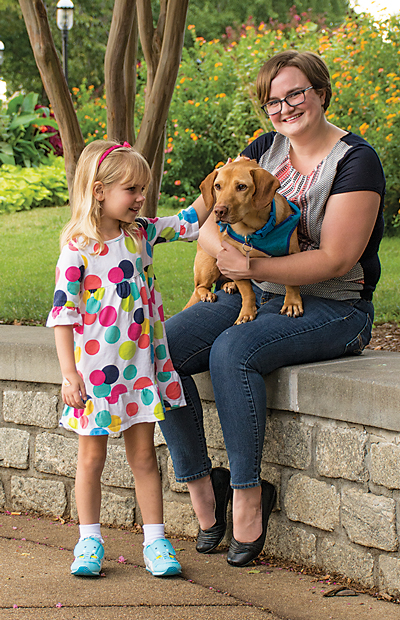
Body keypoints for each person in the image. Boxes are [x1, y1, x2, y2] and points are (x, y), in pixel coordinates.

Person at [159, 50, 385, 567]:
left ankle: (247, 497)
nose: (284, 108)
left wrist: (250, 267)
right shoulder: (264, 150)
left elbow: (336, 258)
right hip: (253, 290)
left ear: (321, 93)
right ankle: (203, 491)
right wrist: (143, 226)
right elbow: (207, 217)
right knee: (158, 349)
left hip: (337, 308)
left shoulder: (355, 161)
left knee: (233, 349)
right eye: (273, 100)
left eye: (295, 94)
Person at [47, 140, 210, 577]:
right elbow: (62, 316)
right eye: (133, 190)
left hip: (141, 372)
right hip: (96, 377)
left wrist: (216, 184)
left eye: (144, 189)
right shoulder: (78, 249)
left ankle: (156, 543)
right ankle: (89, 542)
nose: (141, 198)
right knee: (90, 460)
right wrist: (69, 375)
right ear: (99, 191)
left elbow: (189, 222)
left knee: (144, 458)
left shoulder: (140, 235)